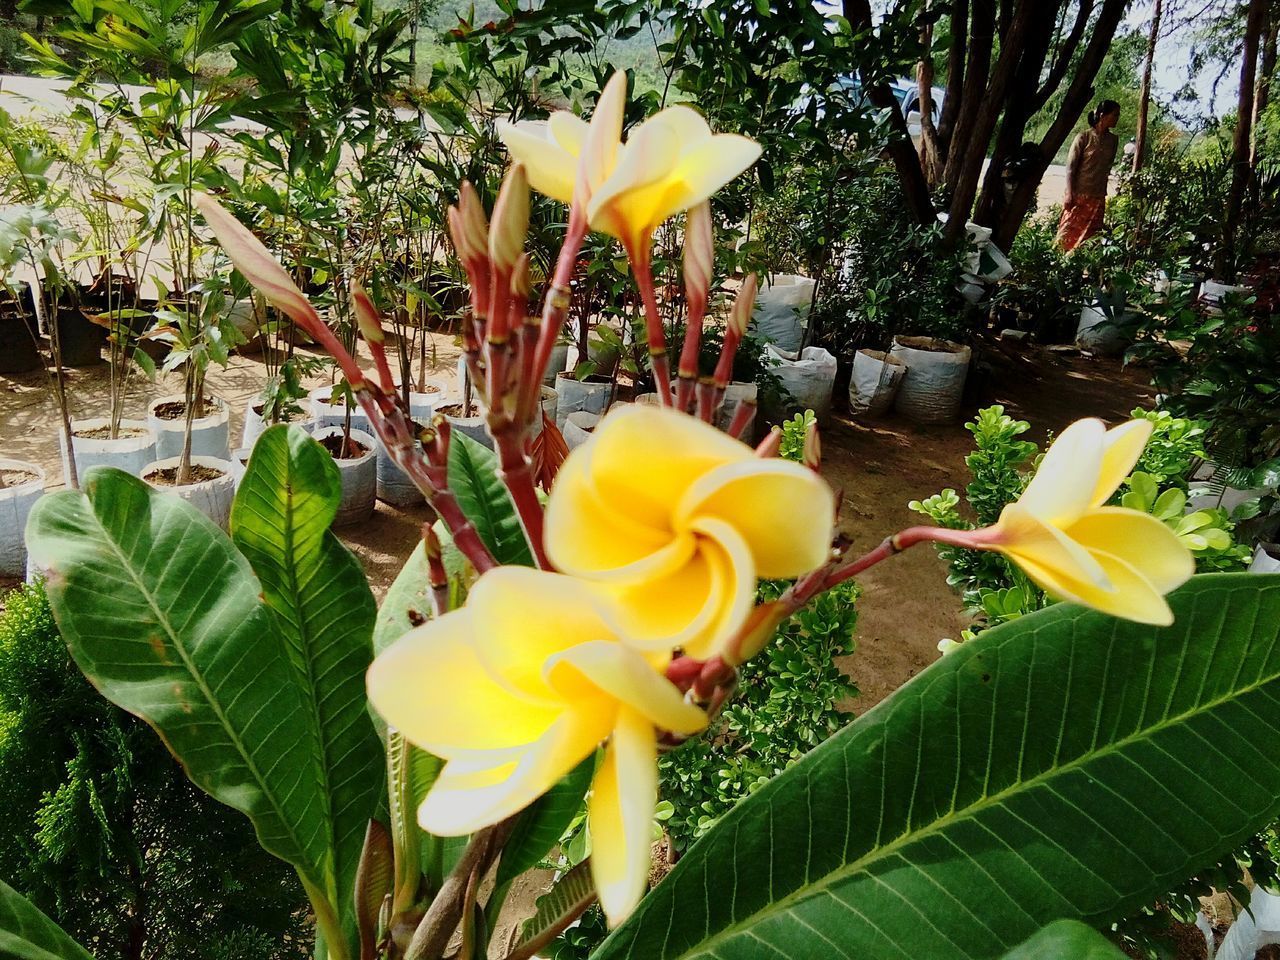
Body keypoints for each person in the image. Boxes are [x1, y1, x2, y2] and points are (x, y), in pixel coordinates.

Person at [1056, 99, 1121, 251]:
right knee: (1067, 234)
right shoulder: (1083, 137)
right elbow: (1071, 168)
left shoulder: (1113, 140)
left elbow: (1107, 166)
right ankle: (1059, 265)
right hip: (1078, 196)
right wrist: (1070, 194)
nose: (1117, 118)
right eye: (1115, 115)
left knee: (1091, 239)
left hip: (1097, 197)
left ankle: (1084, 270)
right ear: (1102, 115)